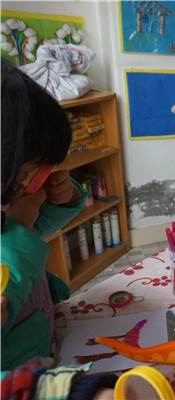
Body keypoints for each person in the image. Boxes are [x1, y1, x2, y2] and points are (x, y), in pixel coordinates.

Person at [1, 58, 115, 399]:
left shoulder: (10, 201)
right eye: (30, 173)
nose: (37, 181)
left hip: (50, 344)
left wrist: (63, 199)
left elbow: (35, 232)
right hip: (27, 379)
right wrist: (19, 224)